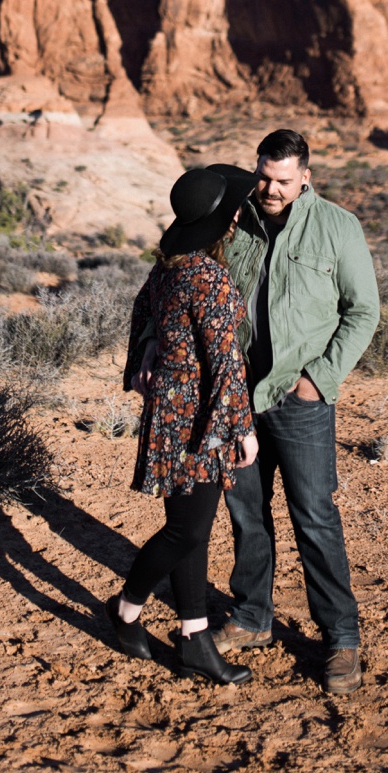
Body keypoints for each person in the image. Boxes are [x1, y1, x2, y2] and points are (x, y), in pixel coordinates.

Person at [213, 129, 380, 694]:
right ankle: (252, 617)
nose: (271, 188)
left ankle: (341, 638)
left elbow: (363, 312)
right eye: (263, 176)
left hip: (300, 398)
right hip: (239, 396)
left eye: (283, 180)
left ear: (305, 176)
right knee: (247, 512)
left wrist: (319, 378)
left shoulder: (338, 226)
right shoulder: (237, 221)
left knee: (314, 516)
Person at [107, 163, 260, 685]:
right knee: (187, 530)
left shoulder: (171, 266)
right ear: (223, 220)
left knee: (191, 530)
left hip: (169, 409)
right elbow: (225, 359)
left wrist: (149, 344)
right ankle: (126, 609)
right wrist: (242, 427)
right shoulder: (209, 275)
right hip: (197, 417)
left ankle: (195, 637)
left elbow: (141, 305)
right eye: (235, 208)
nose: (240, 213)